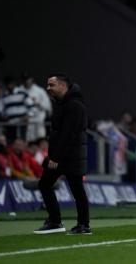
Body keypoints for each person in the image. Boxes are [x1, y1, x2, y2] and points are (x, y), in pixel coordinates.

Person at [34, 73, 91, 235]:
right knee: (45, 184)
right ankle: (55, 221)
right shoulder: (62, 104)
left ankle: (83, 225)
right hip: (62, 154)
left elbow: (68, 134)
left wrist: (55, 157)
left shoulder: (74, 105)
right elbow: (59, 134)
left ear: (63, 86)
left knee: (76, 189)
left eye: (52, 85)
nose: (48, 88)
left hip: (71, 155)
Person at [16, 72, 52, 142]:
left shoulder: (39, 91)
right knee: (26, 143)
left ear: (31, 79)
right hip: (24, 123)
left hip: (38, 122)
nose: (26, 81)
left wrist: (38, 103)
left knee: (40, 142)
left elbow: (48, 107)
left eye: (28, 79)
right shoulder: (18, 90)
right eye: (24, 79)